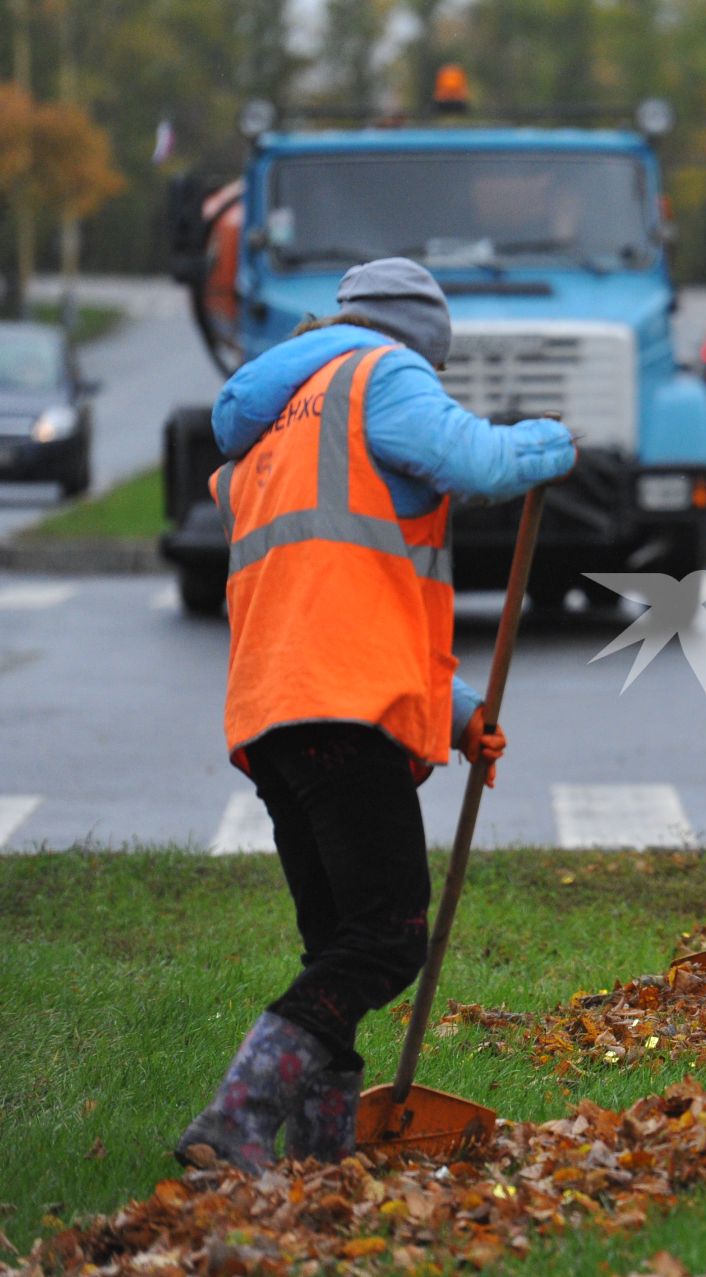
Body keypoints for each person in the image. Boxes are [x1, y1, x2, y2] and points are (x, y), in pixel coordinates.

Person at [175, 258, 576, 1171]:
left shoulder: (276, 424)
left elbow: (346, 582)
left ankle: (324, 1161)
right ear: (423, 343)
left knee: (338, 943)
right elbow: (473, 459)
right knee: (390, 936)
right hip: (343, 703)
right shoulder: (379, 373)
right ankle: (236, 1116)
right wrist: (550, 443)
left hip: (275, 711)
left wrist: (458, 708)